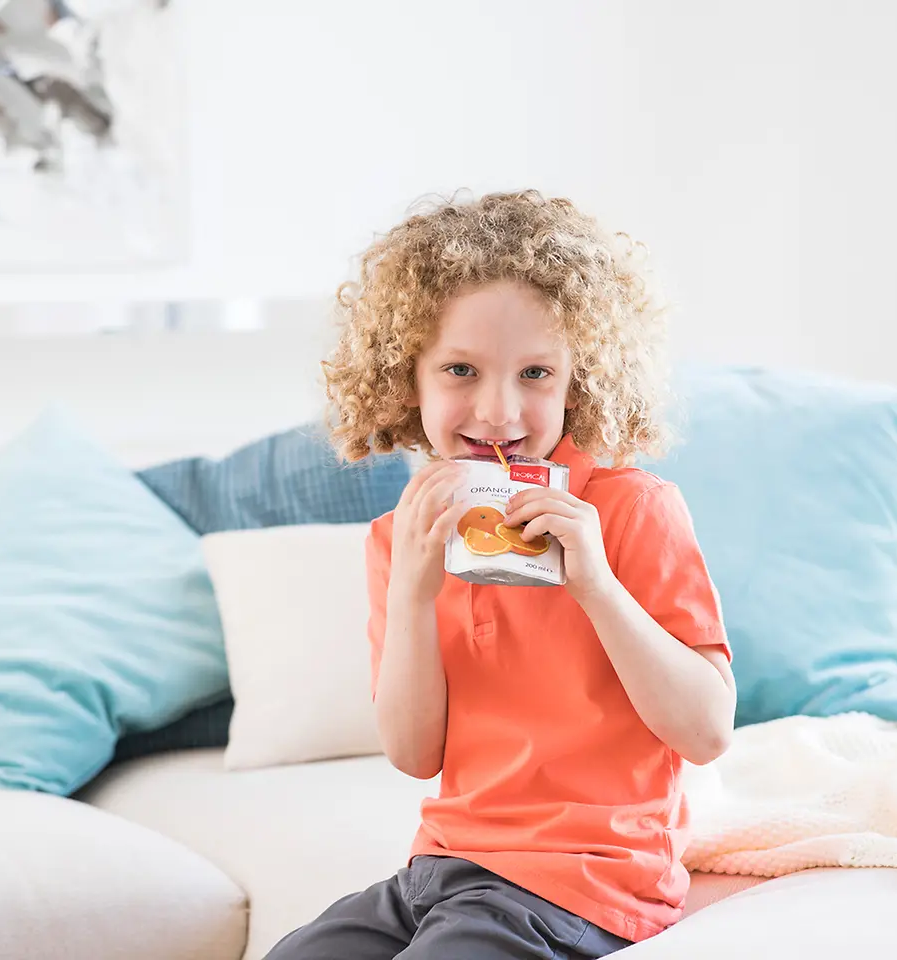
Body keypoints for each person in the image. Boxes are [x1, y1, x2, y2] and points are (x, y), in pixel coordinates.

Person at [265, 190, 737, 959]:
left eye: (536, 374)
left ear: (578, 381)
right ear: (404, 382)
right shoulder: (399, 538)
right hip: (443, 865)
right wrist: (415, 591)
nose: (498, 408)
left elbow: (707, 730)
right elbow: (417, 754)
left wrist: (597, 587)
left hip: (585, 880)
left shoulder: (630, 511)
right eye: (460, 369)